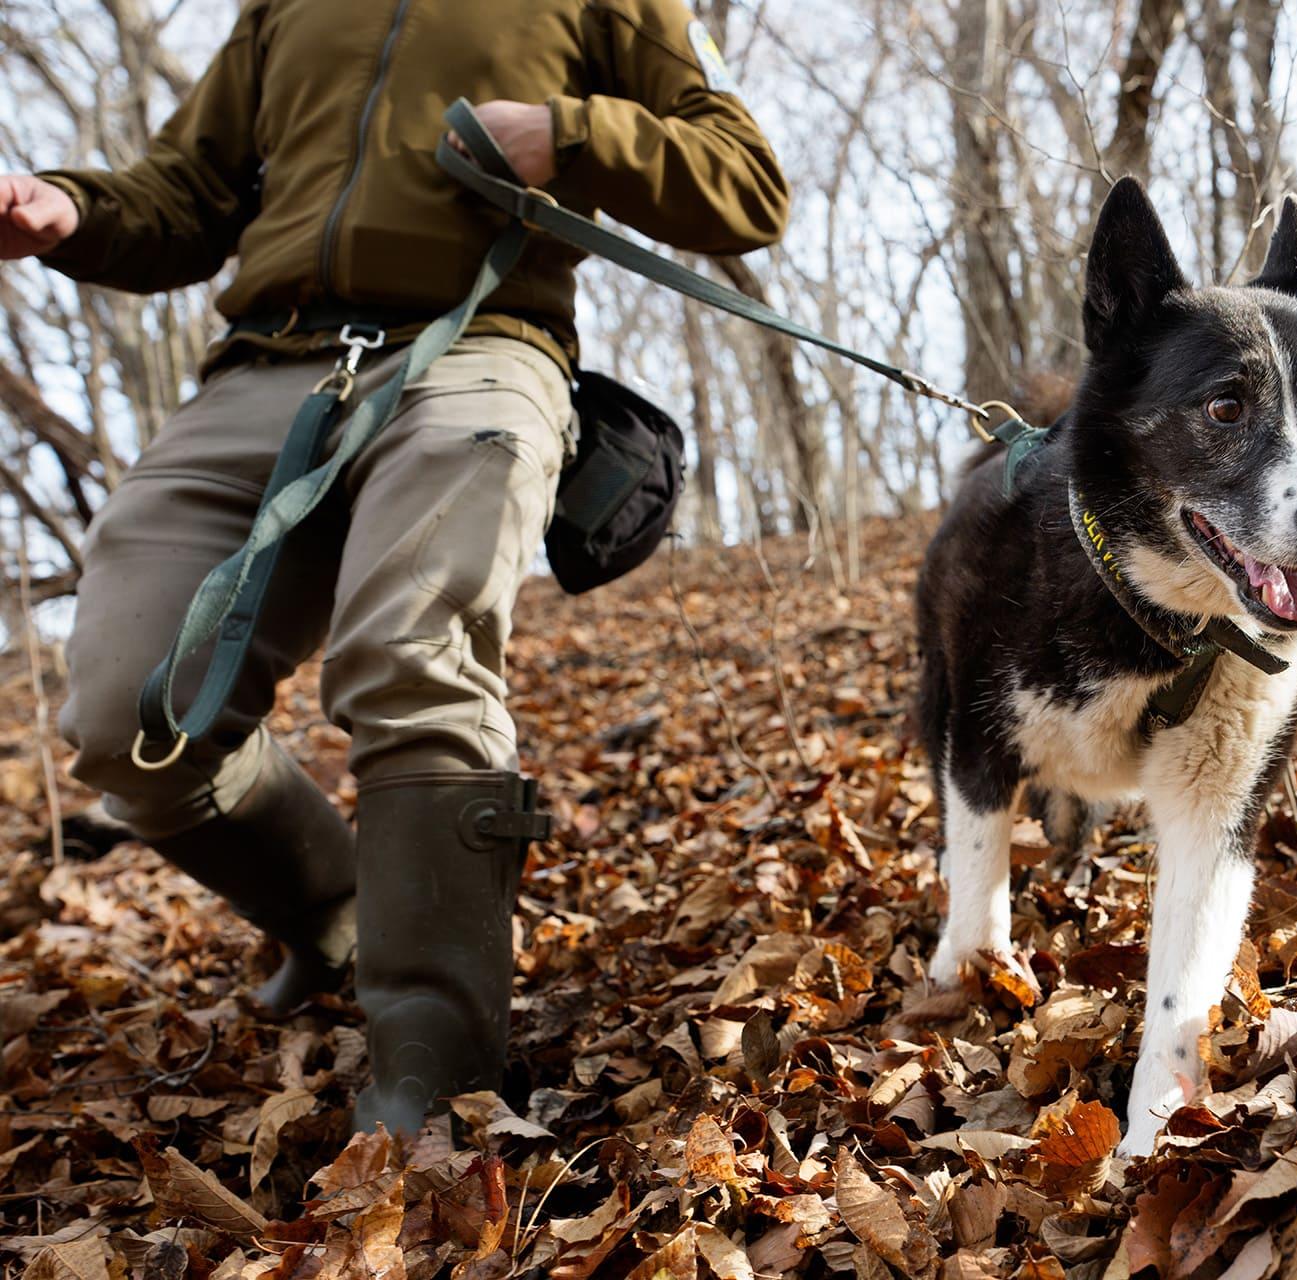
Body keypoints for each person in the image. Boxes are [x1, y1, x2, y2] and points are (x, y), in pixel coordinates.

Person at [0, 0, 788, 1134]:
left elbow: (745, 182)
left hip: (477, 346)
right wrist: (69, 207)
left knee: (414, 654)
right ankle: (333, 917)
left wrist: (569, 136)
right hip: (268, 366)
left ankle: (435, 1079)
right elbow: (188, 193)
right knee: (130, 714)